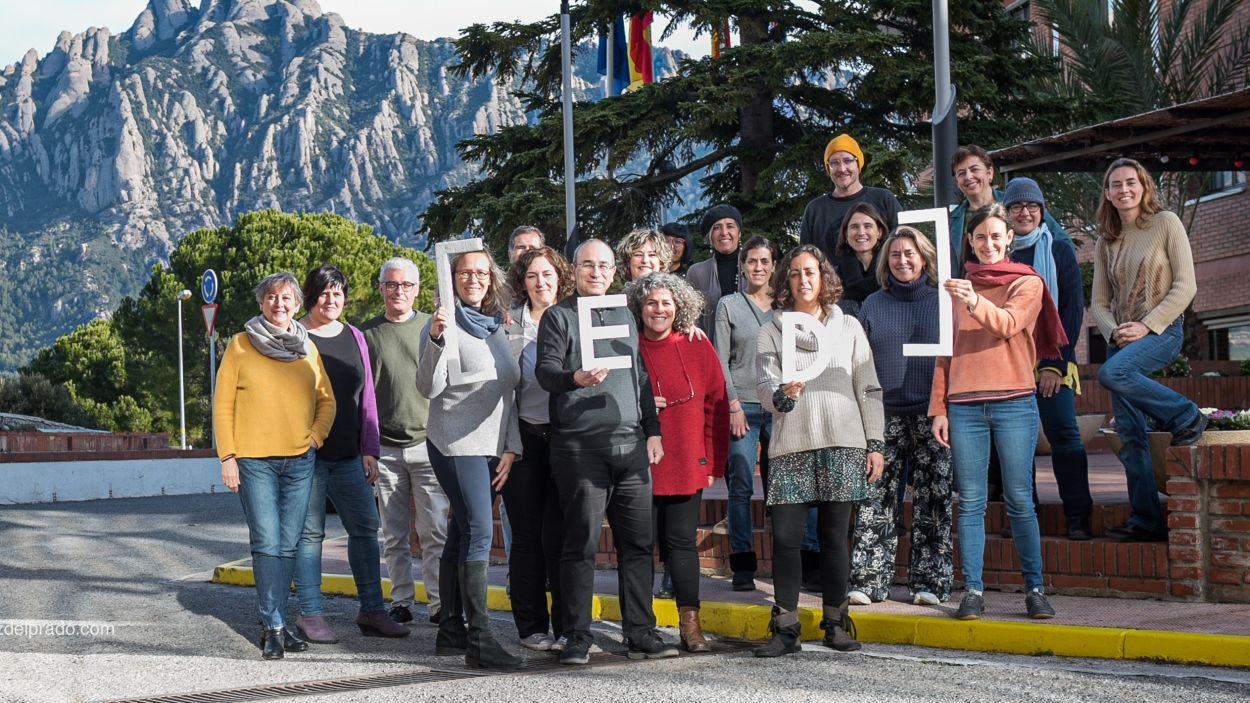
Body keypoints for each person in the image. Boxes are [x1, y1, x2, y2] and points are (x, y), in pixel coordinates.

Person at [535, 239, 678, 665]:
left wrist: (653, 430)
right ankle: (576, 635)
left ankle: (640, 632)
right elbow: (545, 372)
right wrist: (574, 378)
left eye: (603, 265)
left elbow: (640, 378)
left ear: (614, 271)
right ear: (573, 271)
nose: (595, 272)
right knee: (580, 545)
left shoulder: (625, 317)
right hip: (579, 447)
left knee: (637, 545)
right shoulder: (559, 317)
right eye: (587, 265)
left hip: (631, 445)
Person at [930, 203, 1067, 621]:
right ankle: (972, 590)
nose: (988, 244)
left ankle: (1035, 590)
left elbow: (1007, 324)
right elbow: (944, 353)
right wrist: (939, 408)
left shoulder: (1028, 283)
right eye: (980, 237)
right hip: (965, 406)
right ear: (969, 241)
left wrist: (972, 300)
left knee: (1020, 500)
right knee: (970, 502)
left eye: (996, 236)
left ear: (1009, 238)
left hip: (1014, 401)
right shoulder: (954, 288)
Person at [754, 244, 885, 657]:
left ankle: (835, 621)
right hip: (792, 444)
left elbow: (868, 386)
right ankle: (786, 627)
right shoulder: (771, 328)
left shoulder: (848, 327)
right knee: (787, 539)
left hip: (844, 442)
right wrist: (783, 396)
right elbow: (763, 388)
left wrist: (875, 443)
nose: (803, 279)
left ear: (823, 276)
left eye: (810, 271)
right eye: (794, 273)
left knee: (834, 539)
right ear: (785, 281)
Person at [215, 272, 336, 660]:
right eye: (270, 297)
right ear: (261, 303)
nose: (278, 303)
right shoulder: (240, 345)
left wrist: (315, 436)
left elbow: (327, 400)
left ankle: (281, 622)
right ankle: (272, 626)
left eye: (286, 297)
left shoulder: (307, 348)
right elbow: (223, 405)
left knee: (288, 544)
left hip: (300, 459)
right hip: (254, 461)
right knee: (267, 543)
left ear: (297, 305)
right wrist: (228, 457)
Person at [417, 247, 526, 670]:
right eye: (466, 272)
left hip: (490, 444)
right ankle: (480, 639)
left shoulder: (496, 325)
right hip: (454, 441)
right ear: (452, 277)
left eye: (482, 272)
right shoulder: (444, 323)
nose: (474, 278)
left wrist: (511, 445)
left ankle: (450, 630)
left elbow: (509, 391)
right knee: (480, 530)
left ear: (491, 278)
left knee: (463, 531)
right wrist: (436, 339)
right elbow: (428, 387)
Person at [292, 266, 409, 644]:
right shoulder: (295, 336)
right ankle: (310, 615)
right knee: (310, 536)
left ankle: (372, 609)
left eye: (338, 293)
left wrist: (370, 449)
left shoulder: (355, 336)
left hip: (349, 457)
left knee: (364, 531)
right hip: (306, 456)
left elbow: (367, 398)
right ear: (311, 296)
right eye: (324, 293)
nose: (332, 300)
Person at [1092, 157, 1203, 542]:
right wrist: (1115, 332)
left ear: (1144, 185)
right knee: (1130, 433)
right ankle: (1146, 519)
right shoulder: (1106, 240)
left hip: (1162, 330)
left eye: (1130, 182)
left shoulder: (1166, 223)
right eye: (1115, 184)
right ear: (1107, 193)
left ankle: (1186, 415)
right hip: (1123, 339)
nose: (1123, 189)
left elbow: (1186, 286)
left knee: (1112, 374)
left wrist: (1146, 325)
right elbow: (1099, 303)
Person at [847, 228, 953, 606]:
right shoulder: (874, 304)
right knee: (875, 497)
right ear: (885, 261)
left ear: (924, 257)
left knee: (934, 499)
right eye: (895, 255)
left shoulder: (944, 301)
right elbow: (861, 362)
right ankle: (869, 580)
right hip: (883, 414)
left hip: (933, 413)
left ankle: (931, 582)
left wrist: (945, 405)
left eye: (910, 253)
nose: (903, 261)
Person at [628, 272, 730, 653]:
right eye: (652, 302)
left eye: (666, 302)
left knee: (682, 544)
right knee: (638, 546)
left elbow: (716, 406)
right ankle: (639, 626)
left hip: (686, 460)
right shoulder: (627, 347)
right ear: (639, 307)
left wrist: (713, 461)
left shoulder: (696, 345)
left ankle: (690, 624)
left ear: (679, 307)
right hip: (638, 464)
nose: (659, 309)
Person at [359, 259, 451, 631]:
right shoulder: (366, 334)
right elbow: (361, 394)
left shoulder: (433, 326)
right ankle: (401, 601)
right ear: (381, 288)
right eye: (392, 285)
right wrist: (366, 447)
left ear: (417, 288)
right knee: (393, 535)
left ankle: (440, 602)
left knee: (435, 532)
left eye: (406, 285)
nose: (399, 291)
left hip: (430, 444)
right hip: (385, 449)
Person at [1002, 177, 1094, 540]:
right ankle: (1025, 515)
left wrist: (1055, 363)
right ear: (1006, 213)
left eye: (1032, 207)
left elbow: (1072, 309)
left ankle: (1078, 515)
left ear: (1042, 212)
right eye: (1017, 207)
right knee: (1015, 443)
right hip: (1011, 365)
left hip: (1052, 360)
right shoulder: (1000, 254)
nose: (1024, 213)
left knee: (1064, 434)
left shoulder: (1058, 249)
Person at [502, 246, 575, 652]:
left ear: (560, 277)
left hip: (567, 439)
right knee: (527, 538)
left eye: (547, 274)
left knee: (561, 537)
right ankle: (531, 626)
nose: (541, 282)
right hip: (524, 440)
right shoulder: (508, 326)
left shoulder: (575, 319)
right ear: (523, 281)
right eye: (532, 276)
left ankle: (568, 626)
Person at [712, 235, 777, 591]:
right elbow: (719, 361)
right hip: (743, 407)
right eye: (752, 261)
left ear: (773, 266)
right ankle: (742, 564)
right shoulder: (729, 305)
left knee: (781, 488)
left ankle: (787, 559)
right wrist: (733, 405)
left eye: (764, 261)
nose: (758, 267)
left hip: (778, 407)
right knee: (740, 484)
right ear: (743, 265)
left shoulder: (785, 306)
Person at [949, 145, 1071, 271]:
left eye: (974, 169)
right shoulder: (952, 220)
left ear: (989, 173)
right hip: (971, 286)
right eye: (961, 173)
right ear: (957, 182)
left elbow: (1063, 241)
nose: (968, 177)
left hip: (1022, 282)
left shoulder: (1016, 203)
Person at [799, 133, 902, 265]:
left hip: (881, 284)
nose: (842, 169)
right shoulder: (815, 209)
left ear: (858, 164)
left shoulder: (884, 199)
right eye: (834, 163)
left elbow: (903, 243)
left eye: (848, 161)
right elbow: (805, 258)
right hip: (831, 285)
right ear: (828, 168)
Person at [687, 204, 746, 332]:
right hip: (711, 347)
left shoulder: (755, 266)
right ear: (710, 236)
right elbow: (692, 319)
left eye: (730, 226)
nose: (724, 233)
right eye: (717, 228)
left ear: (739, 233)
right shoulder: (697, 273)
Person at [832, 202, 888, 304]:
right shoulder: (832, 278)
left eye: (867, 226)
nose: (861, 233)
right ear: (846, 234)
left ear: (879, 232)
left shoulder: (892, 273)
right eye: (854, 227)